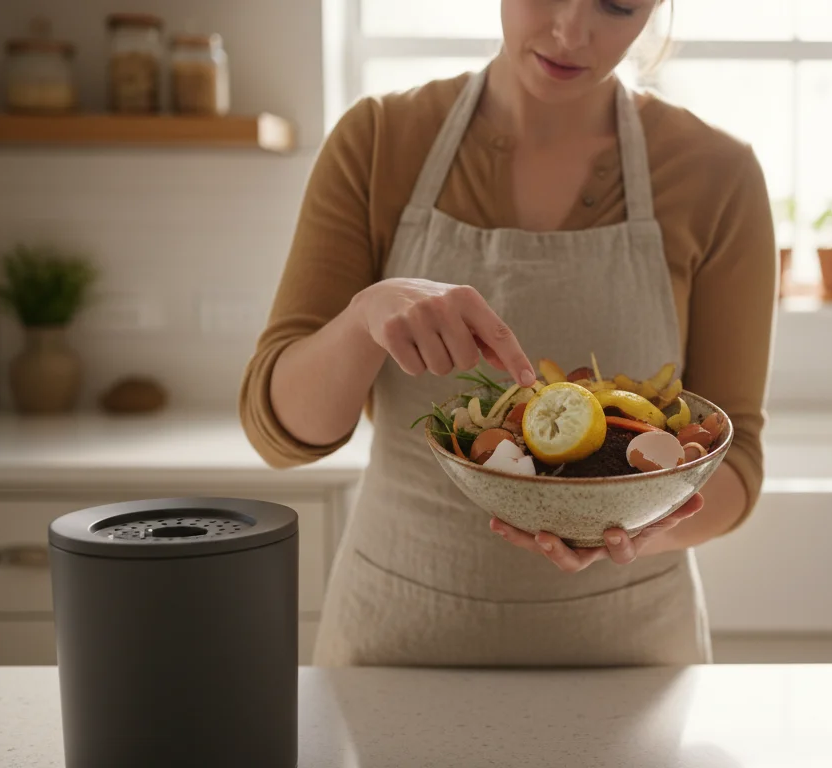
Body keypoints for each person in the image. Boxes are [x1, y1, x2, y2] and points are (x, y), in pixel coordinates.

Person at [240, 0, 774, 667]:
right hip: (398, 647)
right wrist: (362, 320)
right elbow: (280, 433)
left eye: (617, 5)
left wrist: (633, 528)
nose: (571, 32)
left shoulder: (716, 174)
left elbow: (738, 460)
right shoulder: (379, 140)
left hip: (629, 660)